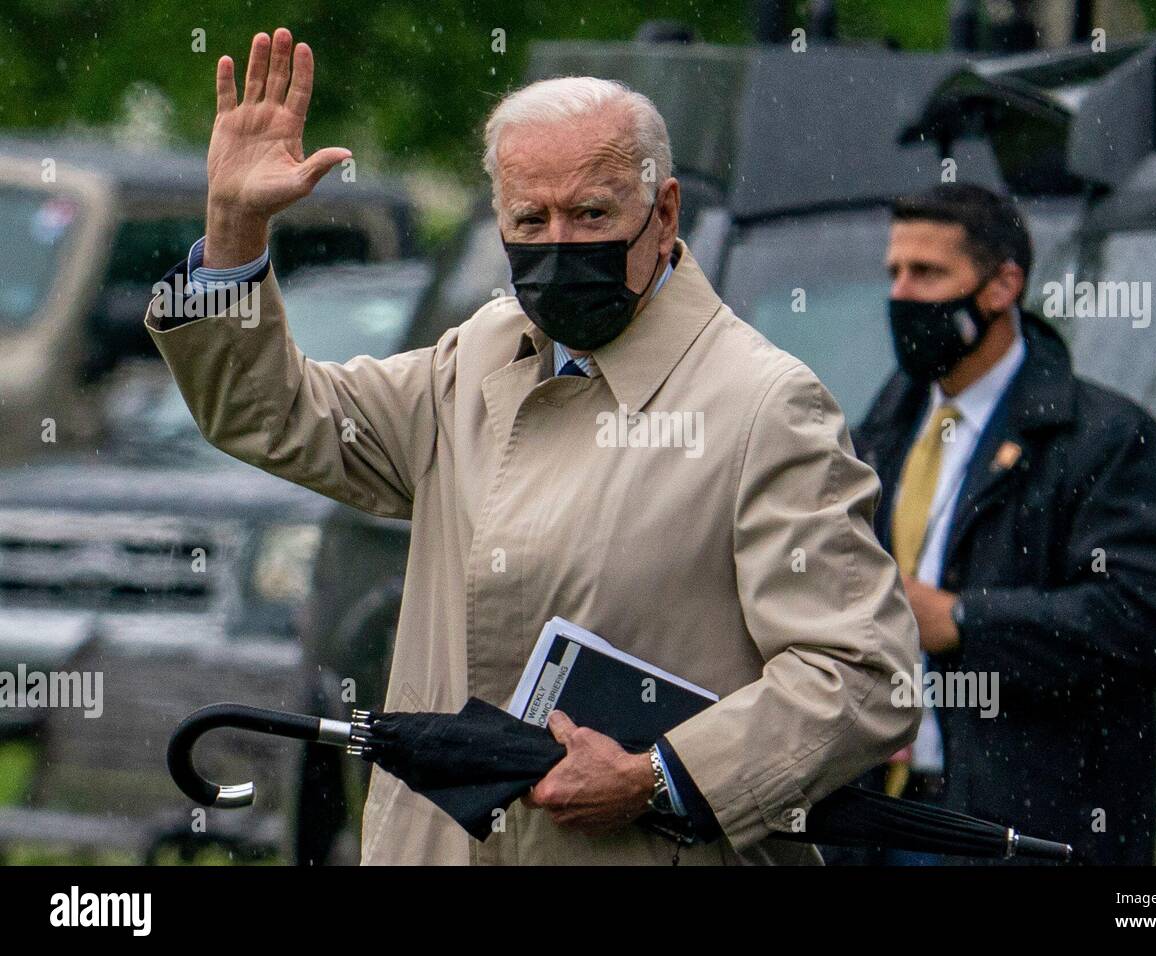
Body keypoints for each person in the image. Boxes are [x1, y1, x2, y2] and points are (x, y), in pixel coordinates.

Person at [143, 28, 921, 865]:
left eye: (592, 212)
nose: (558, 242)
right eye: (530, 218)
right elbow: (275, 416)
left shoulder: (764, 405)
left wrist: (658, 774)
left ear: (663, 215)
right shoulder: (478, 354)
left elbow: (862, 674)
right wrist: (233, 232)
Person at [850, 184, 1156, 865]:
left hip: (1019, 831)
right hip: (882, 816)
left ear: (1002, 285)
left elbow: (1149, 621)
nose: (903, 295)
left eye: (928, 273)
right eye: (894, 273)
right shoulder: (884, 428)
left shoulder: (1102, 439)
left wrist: (963, 620)